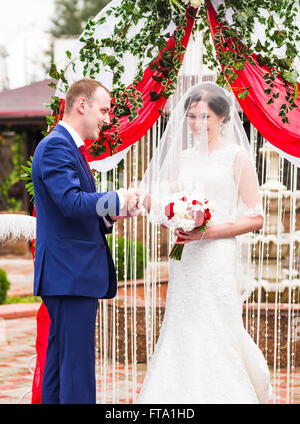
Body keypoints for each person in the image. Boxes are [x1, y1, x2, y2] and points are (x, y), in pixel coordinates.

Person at [137, 82, 273, 404]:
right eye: (192, 117)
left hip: (216, 256)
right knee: (181, 322)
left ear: (223, 117)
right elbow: (169, 202)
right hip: (185, 255)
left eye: (205, 117)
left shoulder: (237, 157)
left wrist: (208, 231)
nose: (197, 124)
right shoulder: (181, 158)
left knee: (215, 323)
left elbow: (256, 217)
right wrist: (163, 209)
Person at [31, 78, 141, 404]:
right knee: (77, 370)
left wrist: (111, 215)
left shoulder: (66, 147)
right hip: (70, 276)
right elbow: (70, 201)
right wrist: (116, 199)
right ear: (82, 105)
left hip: (69, 275)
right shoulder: (56, 146)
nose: (107, 119)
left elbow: (74, 209)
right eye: (103, 110)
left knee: (58, 369)